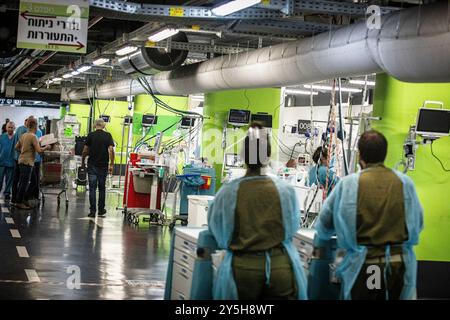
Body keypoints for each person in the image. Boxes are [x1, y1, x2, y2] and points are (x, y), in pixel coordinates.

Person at [314, 130, 423, 300]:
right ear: (384, 154)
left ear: (360, 155)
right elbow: (418, 223)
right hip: (399, 266)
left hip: (366, 267)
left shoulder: (349, 184)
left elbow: (324, 225)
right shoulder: (404, 183)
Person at [207, 123, 307, 300]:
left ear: (243, 156)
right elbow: (292, 228)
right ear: (268, 155)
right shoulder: (285, 191)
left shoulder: (228, 193)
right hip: (280, 269)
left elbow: (218, 232)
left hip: (242, 271)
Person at [14, 117, 50, 209]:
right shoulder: (33, 136)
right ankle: (19, 202)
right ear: (35, 125)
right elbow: (39, 150)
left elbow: (16, 147)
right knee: (24, 183)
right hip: (28, 162)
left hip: (22, 161)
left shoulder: (24, 135)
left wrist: (23, 151)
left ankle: (23, 199)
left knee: (31, 182)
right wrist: (46, 147)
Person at [82, 118, 115, 218]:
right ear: (103, 125)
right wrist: (112, 164)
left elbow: (85, 150)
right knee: (101, 188)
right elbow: (111, 150)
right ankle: (101, 210)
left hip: (92, 165)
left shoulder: (91, 135)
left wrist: (83, 161)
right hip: (103, 166)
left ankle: (92, 211)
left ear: (94, 125)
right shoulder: (108, 135)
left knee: (92, 188)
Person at [10, 117, 31, 205]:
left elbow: (16, 145)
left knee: (16, 179)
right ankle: (18, 200)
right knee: (22, 180)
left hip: (18, 158)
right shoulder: (24, 131)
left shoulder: (20, 130)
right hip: (21, 159)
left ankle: (14, 199)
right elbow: (21, 145)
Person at [0, 121, 16, 200]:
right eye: (9, 127)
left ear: (14, 128)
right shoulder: (1, 137)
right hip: (1, 161)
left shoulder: (16, 138)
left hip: (11, 162)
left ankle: (7, 193)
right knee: (0, 178)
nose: (10, 129)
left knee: (9, 179)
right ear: (6, 128)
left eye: (11, 127)